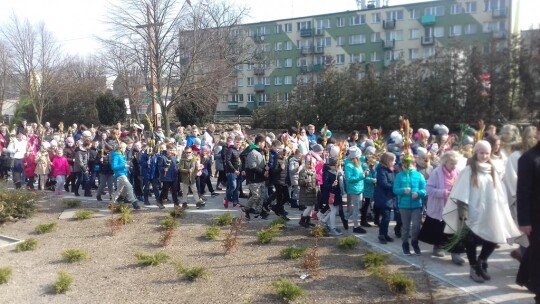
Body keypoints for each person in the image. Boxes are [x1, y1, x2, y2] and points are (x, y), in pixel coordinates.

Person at [443, 140, 521, 283]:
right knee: (470, 241)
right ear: (476, 152)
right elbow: (461, 191)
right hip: (473, 212)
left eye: (487, 153)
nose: (484, 156)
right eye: (481, 153)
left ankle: (482, 261)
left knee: (493, 237)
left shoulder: (492, 169)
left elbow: (500, 191)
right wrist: (463, 212)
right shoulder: (469, 171)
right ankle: (473, 267)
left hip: (490, 212)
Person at [422, 150, 465, 264]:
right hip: (440, 207)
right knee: (439, 229)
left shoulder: (458, 172)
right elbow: (429, 189)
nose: (454, 166)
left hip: (454, 208)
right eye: (451, 163)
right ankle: (438, 247)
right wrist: (444, 193)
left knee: (455, 230)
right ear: (445, 162)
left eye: (455, 163)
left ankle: (456, 254)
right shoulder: (436, 172)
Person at [515, 123, 540, 303]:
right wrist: (524, 221)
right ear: (538, 133)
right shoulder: (528, 159)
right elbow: (522, 192)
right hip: (536, 218)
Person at [393, 153, 427, 255]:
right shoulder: (399, 176)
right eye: (405, 165)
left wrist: (418, 193)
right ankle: (405, 244)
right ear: (402, 165)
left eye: (410, 165)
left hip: (416, 205)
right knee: (406, 226)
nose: (408, 167)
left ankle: (414, 242)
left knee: (416, 226)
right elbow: (395, 190)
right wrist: (403, 190)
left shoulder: (419, 175)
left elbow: (424, 189)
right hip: (404, 205)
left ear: (414, 164)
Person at [243, 134, 269, 220]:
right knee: (256, 196)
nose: (264, 144)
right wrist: (263, 172)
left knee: (261, 196)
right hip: (254, 178)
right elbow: (253, 166)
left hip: (261, 178)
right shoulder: (252, 152)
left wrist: (266, 168)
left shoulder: (261, 152)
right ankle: (246, 209)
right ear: (260, 143)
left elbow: (262, 164)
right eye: (264, 142)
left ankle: (259, 211)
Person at [374, 152, 397, 244]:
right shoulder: (382, 170)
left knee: (387, 217)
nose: (395, 162)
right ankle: (382, 235)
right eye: (393, 160)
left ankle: (385, 234)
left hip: (388, 197)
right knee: (386, 217)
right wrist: (395, 187)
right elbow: (384, 184)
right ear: (388, 161)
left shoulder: (389, 169)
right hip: (383, 197)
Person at [111, 142, 142, 210]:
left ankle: (112, 202)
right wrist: (124, 165)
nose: (125, 149)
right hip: (120, 174)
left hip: (124, 173)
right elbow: (114, 166)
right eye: (124, 148)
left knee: (119, 190)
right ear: (122, 148)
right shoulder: (116, 155)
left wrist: (127, 166)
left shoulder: (121, 155)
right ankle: (134, 202)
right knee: (129, 186)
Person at [344, 146, 366, 234]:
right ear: (355, 157)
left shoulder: (358, 164)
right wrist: (361, 176)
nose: (360, 157)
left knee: (358, 207)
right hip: (354, 189)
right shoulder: (349, 165)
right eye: (359, 156)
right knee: (356, 208)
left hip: (359, 188)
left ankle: (345, 217)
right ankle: (356, 226)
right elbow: (349, 178)